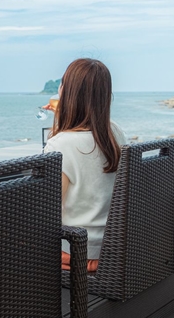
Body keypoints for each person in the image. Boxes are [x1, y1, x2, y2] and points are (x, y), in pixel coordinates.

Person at [43, 58, 125, 272]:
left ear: (66, 93)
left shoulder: (60, 145)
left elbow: (48, 211)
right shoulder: (116, 133)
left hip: (75, 254)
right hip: (114, 248)